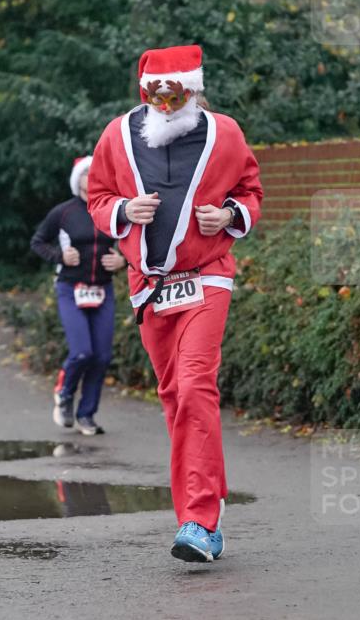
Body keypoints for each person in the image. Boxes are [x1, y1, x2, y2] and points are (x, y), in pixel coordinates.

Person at [88, 44, 263, 563]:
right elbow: (97, 197)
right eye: (155, 95)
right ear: (143, 92)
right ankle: (210, 494)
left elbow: (251, 190)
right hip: (152, 286)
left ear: (193, 90)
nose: (165, 104)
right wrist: (124, 209)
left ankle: (199, 523)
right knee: (175, 397)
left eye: (175, 94)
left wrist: (229, 216)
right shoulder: (117, 135)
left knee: (193, 385)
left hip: (207, 277)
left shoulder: (224, 132)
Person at [31, 156, 126, 436]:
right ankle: (65, 393)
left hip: (103, 289)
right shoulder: (63, 212)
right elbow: (37, 241)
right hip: (70, 288)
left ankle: (87, 415)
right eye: (87, 172)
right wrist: (60, 256)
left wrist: (122, 261)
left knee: (102, 356)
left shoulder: (112, 210)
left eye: (97, 172)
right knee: (82, 351)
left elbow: (132, 243)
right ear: (78, 180)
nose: (92, 176)